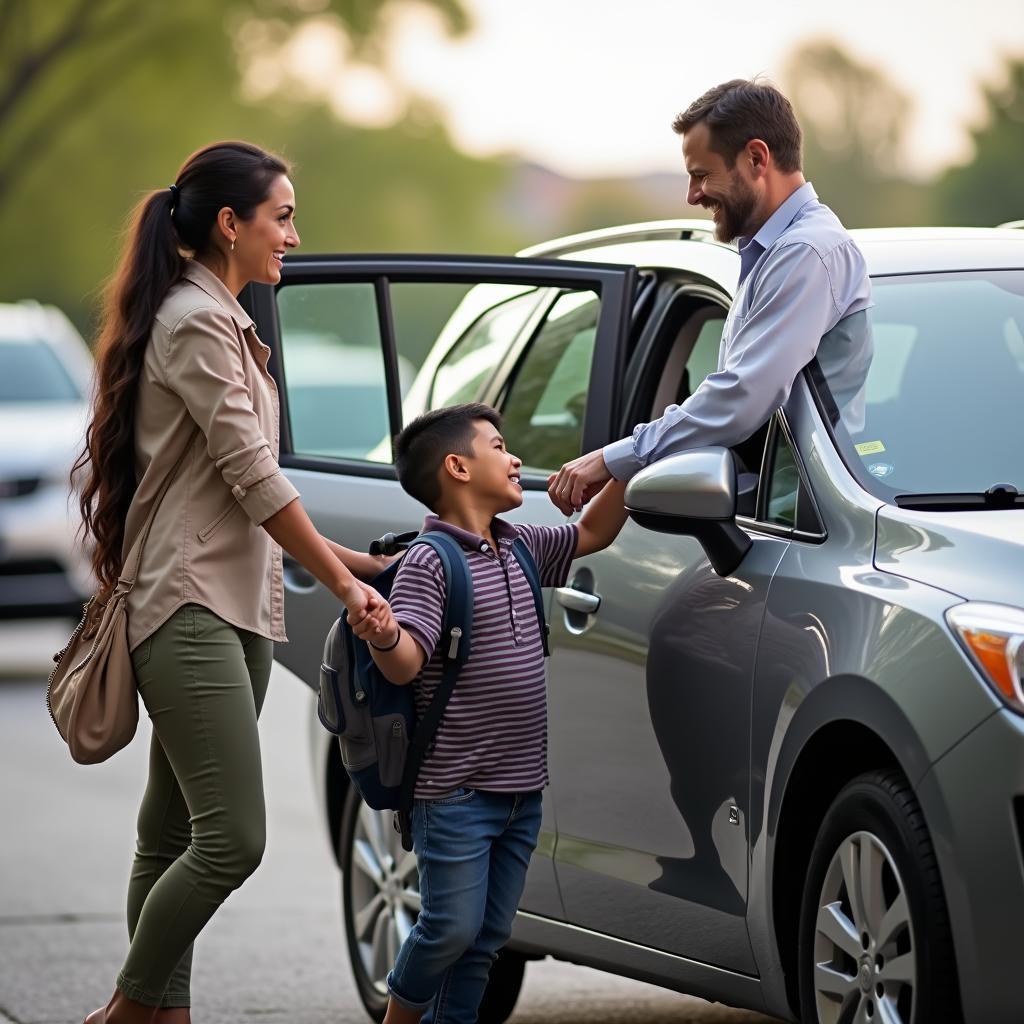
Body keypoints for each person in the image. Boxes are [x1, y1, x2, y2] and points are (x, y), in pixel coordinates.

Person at [73, 141, 389, 1024]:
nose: (294, 234)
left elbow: (239, 487)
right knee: (233, 840)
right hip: (189, 606)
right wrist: (345, 581)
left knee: (168, 834)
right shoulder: (198, 322)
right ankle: (130, 1011)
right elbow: (254, 475)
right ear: (229, 224)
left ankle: (165, 1015)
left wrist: (352, 561)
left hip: (235, 603)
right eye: (282, 217)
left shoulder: (222, 318)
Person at [351, 403, 629, 1024]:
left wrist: (635, 459)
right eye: (500, 447)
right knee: (448, 928)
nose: (515, 458)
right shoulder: (431, 560)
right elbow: (408, 663)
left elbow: (593, 533)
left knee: (485, 941)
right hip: (454, 791)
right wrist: (382, 633)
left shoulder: (522, 544)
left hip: (519, 790)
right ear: (458, 467)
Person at [547, 78, 872, 513]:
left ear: (757, 158)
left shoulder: (804, 252)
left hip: (801, 521)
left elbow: (740, 398)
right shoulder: (777, 251)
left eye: (702, 175)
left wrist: (615, 458)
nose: (692, 195)